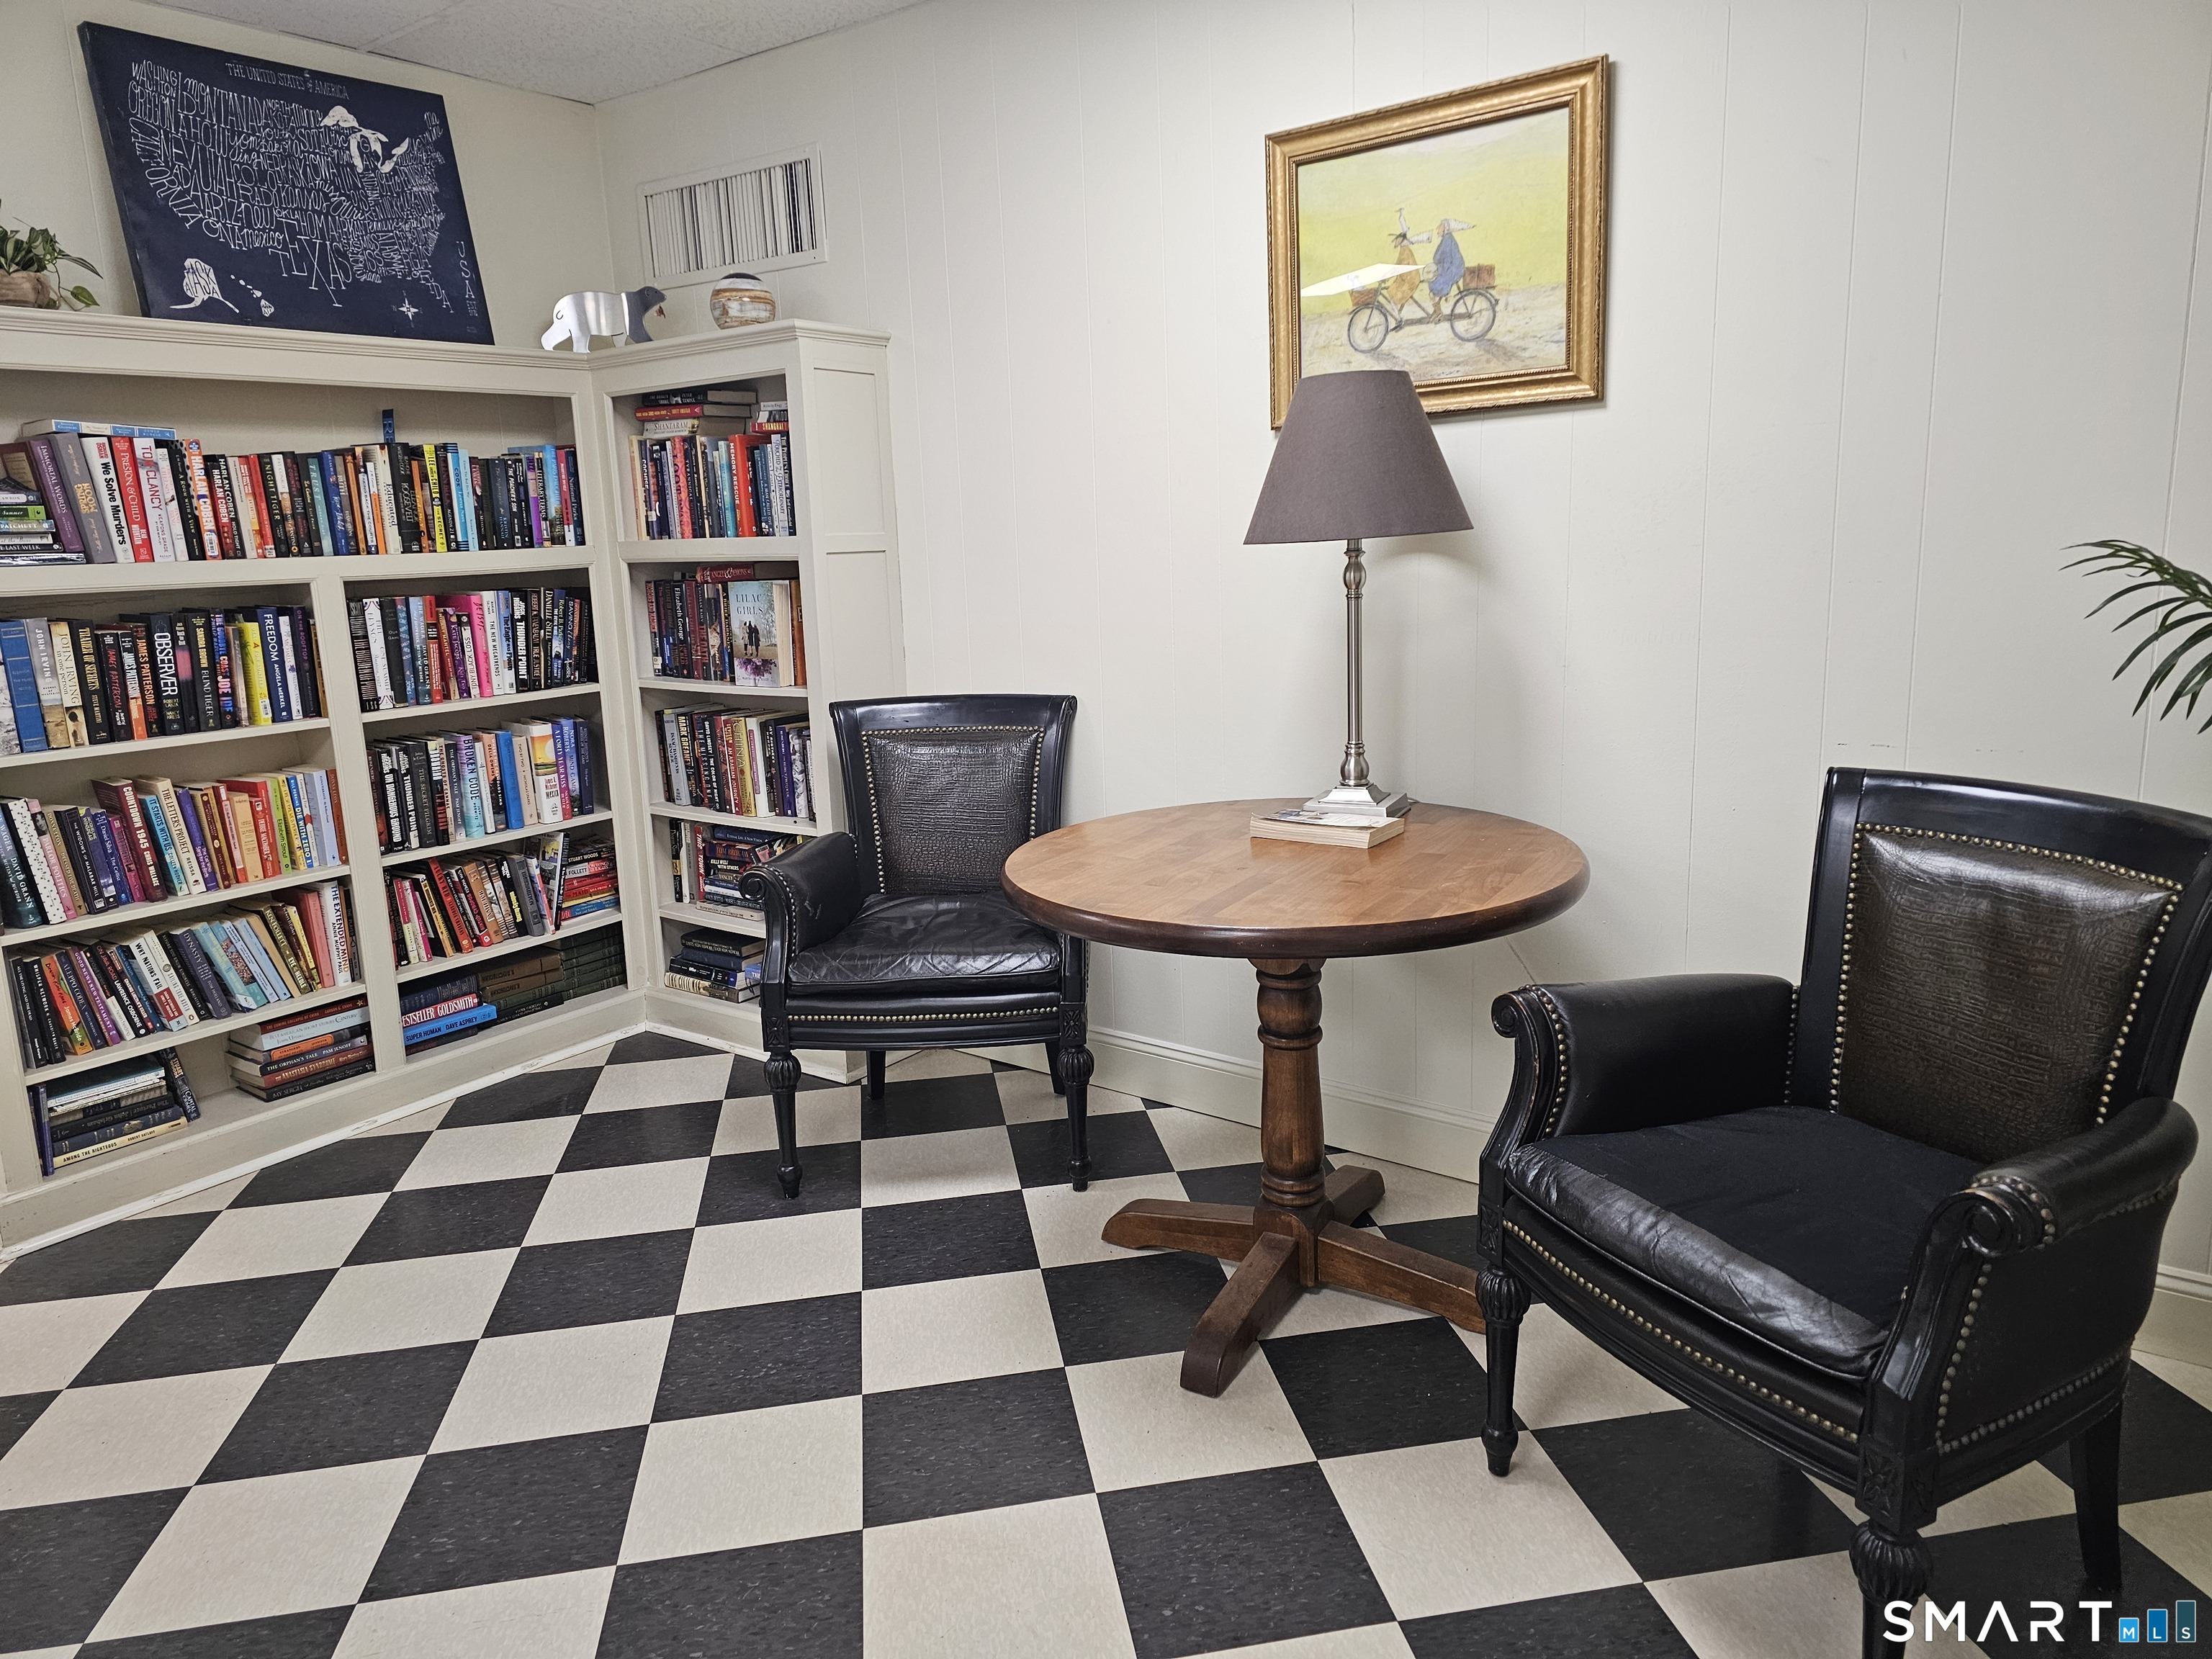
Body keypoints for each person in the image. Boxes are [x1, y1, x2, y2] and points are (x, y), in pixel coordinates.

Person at [1429, 217, 1470, 299]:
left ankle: (1444, 297)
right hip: (1450, 267)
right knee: (1433, 279)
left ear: (1445, 227)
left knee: (1435, 281)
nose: (1438, 228)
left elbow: (1447, 259)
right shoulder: (1446, 238)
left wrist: (1438, 270)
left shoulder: (1447, 239)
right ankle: (1442, 299)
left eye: (1441, 226)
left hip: (1453, 269)